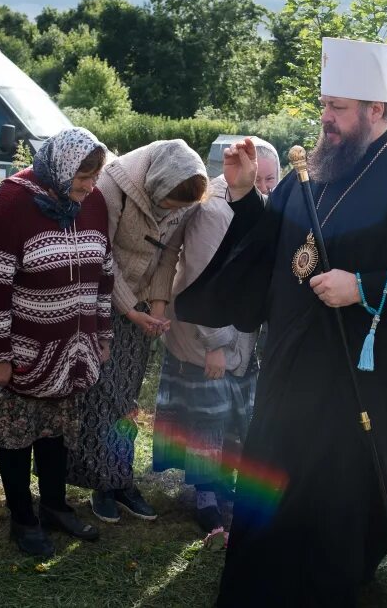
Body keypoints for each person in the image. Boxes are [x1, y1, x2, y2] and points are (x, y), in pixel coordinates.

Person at [176, 37, 387, 606]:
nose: (324, 119)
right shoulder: (318, 166)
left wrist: (363, 286)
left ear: (376, 110)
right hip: (290, 365)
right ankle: (265, 576)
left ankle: (329, 582)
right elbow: (276, 242)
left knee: (340, 488)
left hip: (357, 375)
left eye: (337, 107)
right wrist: (241, 197)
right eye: (324, 104)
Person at [0, 128, 113, 557]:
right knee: (16, 436)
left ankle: (54, 505)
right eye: (80, 180)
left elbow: (104, 271)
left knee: (56, 434)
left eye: (93, 179)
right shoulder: (13, 201)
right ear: (58, 168)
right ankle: (22, 516)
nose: (88, 189)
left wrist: (102, 332)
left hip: (73, 349)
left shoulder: (94, 203)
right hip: (23, 350)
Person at [67, 139, 207, 523]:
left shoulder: (187, 196)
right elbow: (101, 253)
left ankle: (120, 476)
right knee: (101, 392)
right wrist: (130, 310)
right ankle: (100, 481)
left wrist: (158, 309)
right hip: (103, 300)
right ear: (154, 187)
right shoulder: (114, 185)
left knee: (127, 397)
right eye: (166, 207)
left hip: (142, 307)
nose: (170, 214)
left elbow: (168, 256)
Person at [153, 171, 261, 541]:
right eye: (260, 178)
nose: (265, 187)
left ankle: (223, 487)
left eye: (270, 179)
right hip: (205, 341)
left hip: (238, 341)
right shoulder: (214, 213)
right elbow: (200, 280)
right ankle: (204, 497)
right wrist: (216, 343)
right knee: (205, 421)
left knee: (231, 418)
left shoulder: (253, 210)